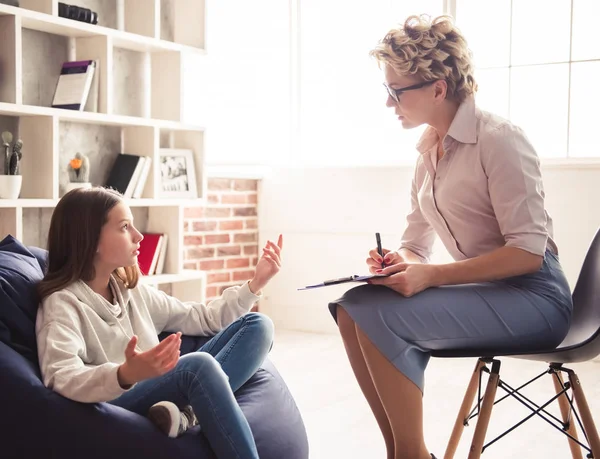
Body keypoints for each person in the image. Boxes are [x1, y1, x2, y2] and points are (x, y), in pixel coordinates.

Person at [328, 14, 573, 459]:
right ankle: (403, 452)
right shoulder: (427, 151)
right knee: (353, 308)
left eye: (395, 91)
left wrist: (431, 276)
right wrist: (398, 261)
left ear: (438, 88)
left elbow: (528, 253)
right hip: (485, 292)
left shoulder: (500, 140)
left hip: (536, 299)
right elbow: (416, 244)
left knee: (381, 316)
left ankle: (411, 455)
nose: (389, 103)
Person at [36, 186, 283, 459]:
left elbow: (202, 318)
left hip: (158, 390)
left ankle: (187, 415)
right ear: (91, 239)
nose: (139, 236)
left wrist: (255, 283)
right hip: (114, 405)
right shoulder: (62, 304)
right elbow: (61, 376)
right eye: (125, 227)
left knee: (258, 326)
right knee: (197, 366)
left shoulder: (131, 291)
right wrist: (124, 373)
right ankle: (197, 412)